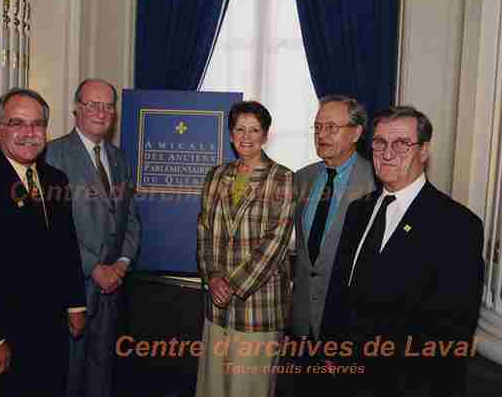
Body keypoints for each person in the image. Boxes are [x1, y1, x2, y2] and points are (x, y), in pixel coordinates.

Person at [322, 106, 484, 396]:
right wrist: (331, 348)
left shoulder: (457, 224)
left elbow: (454, 327)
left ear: (423, 151)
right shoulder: (358, 211)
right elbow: (339, 287)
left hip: (412, 383)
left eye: (401, 144)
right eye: (380, 143)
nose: (387, 153)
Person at [0, 87, 87, 396]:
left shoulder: (56, 179)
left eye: (37, 124)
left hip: (51, 329)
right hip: (4, 335)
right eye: (17, 123)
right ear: (0, 128)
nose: (29, 132)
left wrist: (75, 303)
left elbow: (65, 247)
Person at [45, 79, 141, 397]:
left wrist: (122, 265)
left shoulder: (120, 158)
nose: (101, 112)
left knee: (103, 376)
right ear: (76, 108)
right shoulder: (52, 155)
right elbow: (50, 228)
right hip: (72, 288)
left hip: (113, 289)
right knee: (68, 376)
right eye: (92, 104)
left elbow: (131, 219)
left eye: (108, 106)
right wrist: (95, 268)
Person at [194, 101, 295, 397]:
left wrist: (232, 284)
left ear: (266, 136)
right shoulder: (215, 175)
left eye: (254, 130)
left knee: (248, 390)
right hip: (216, 303)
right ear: (230, 134)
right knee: (213, 388)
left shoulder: (282, 178)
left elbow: (274, 244)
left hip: (258, 307)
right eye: (240, 129)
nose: (246, 137)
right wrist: (213, 277)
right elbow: (204, 231)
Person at [290, 95, 376, 342]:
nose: (321, 134)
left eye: (331, 128)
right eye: (317, 127)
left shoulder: (375, 183)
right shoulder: (302, 178)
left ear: (356, 133)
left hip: (347, 325)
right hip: (301, 324)